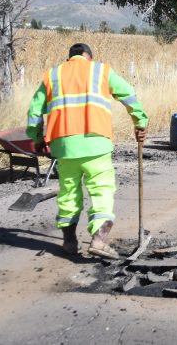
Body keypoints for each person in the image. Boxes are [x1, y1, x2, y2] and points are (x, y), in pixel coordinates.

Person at [26, 43, 148, 259]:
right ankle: (99, 240)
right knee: (101, 190)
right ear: (88, 57)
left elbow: (35, 111)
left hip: (64, 145)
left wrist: (37, 139)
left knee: (68, 193)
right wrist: (140, 122)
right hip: (96, 142)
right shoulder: (101, 70)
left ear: (70, 57)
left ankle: (70, 242)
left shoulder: (53, 75)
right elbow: (128, 94)